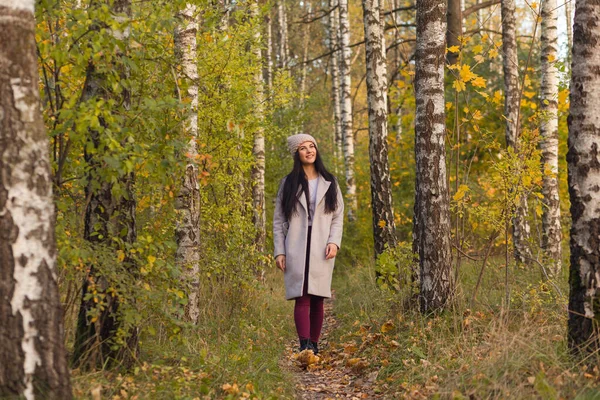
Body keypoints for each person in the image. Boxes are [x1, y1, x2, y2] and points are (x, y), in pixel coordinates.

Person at [273, 133, 344, 354]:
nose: (309, 150)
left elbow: (337, 215)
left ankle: (315, 344)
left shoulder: (330, 181)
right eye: (303, 148)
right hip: (296, 243)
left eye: (312, 146)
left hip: (322, 244)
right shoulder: (288, 183)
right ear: (297, 153)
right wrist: (279, 251)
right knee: (301, 296)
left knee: (318, 297)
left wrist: (334, 241)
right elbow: (278, 220)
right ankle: (304, 345)